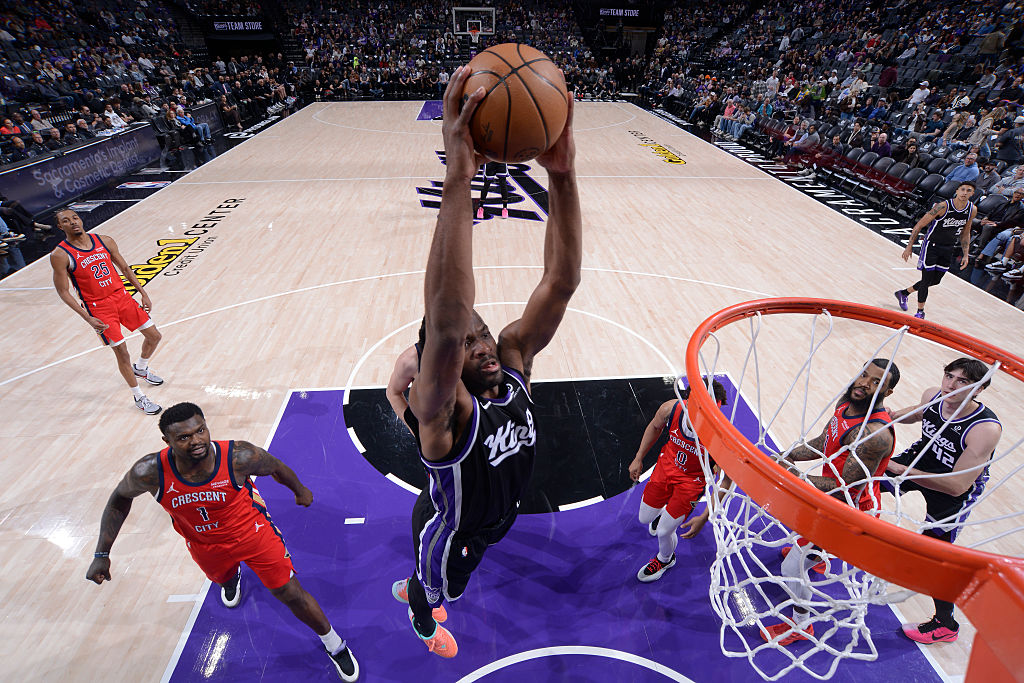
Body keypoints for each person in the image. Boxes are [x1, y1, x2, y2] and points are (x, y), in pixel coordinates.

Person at [392, 66, 581, 658]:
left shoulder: (514, 366)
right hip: (455, 534)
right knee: (440, 586)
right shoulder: (447, 411)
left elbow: (560, 282)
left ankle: (421, 587)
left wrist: (564, 174)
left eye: (483, 336)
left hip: (497, 514)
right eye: (467, 344)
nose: (481, 344)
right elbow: (447, 320)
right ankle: (422, 611)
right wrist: (459, 178)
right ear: (444, 365)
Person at [84, 402, 359, 681]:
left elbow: (275, 466)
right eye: (184, 437)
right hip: (204, 546)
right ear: (166, 442)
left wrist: (300, 490)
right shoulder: (150, 471)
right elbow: (119, 498)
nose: (197, 440)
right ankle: (230, 578)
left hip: (253, 535)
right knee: (222, 578)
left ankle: (334, 644)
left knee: (290, 593)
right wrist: (102, 552)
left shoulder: (238, 456)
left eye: (200, 430)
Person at [763, 359, 900, 646]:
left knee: (790, 570)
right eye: (864, 374)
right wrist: (789, 456)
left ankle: (802, 625)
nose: (864, 382)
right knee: (800, 547)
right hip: (830, 500)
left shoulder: (873, 435)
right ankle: (816, 556)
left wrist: (790, 475)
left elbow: (843, 488)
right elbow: (826, 440)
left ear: (887, 393)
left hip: (850, 511)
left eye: (876, 382)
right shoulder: (848, 402)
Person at [885, 358, 1001, 645]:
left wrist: (903, 471)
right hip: (920, 462)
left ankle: (945, 624)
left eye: (962, 381)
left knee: (934, 558)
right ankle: (815, 555)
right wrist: (892, 415)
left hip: (953, 491)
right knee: (858, 485)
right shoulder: (934, 395)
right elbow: (921, 412)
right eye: (949, 376)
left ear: (980, 389)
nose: (951, 384)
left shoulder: (984, 429)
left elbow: (957, 485)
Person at [49, 209, 166, 414]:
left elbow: (126, 269)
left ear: (81, 219)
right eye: (66, 221)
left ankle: (141, 367)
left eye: (75, 218)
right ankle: (139, 397)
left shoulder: (105, 241)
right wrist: (88, 318)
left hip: (122, 297)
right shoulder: (60, 255)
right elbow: (63, 292)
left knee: (154, 336)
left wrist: (142, 292)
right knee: (121, 352)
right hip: (98, 307)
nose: (73, 223)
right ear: (60, 227)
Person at [627, 380, 728, 582]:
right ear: (689, 399)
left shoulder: (721, 432)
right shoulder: (671, 408)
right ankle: (666, 514)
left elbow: (727, 481)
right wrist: (638, 457)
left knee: (664, 531)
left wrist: (706, 516)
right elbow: (654, 427)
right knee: (644, 519)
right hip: (666, 468)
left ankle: (665, 558)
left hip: (691, 483)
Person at [895, 182, 977, 319]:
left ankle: (904, 293)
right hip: (931, 246)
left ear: (972, 194)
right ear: (957, 190)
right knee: (926, 280)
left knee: (936, 281)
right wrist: (909, 246)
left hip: (948, 247)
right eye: (962, 189)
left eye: (969, 190)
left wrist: (965, 254)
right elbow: (919, 225)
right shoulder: (943, 206)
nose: (965, 192)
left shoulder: (972, 209)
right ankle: (920, 312)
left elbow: (965, 232)